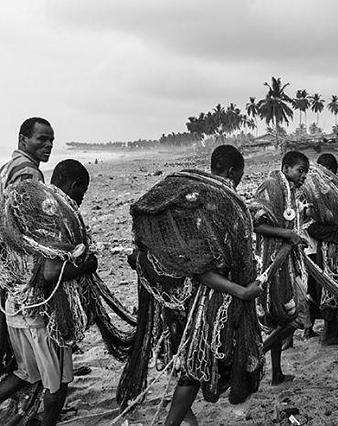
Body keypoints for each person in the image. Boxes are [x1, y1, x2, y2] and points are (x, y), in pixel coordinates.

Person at [120, 145, 264, 426]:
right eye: (241, 174)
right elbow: (203, 267)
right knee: (196, 363)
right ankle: (172, 422)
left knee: (182, 353)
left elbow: (156, 249)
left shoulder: (179, 188)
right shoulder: (224, 203)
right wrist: (241, 291)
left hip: (168, 294)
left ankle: (185, 416)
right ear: (234, 171)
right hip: (204, 298)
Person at [0, 159, 97, 426]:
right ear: (74, 185)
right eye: (82, 192)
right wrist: (87, 266)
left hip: (15, 307)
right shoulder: (55, 214)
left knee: (23, 374)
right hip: (43, 315)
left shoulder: (23, 208)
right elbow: (49, 275)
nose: (81, 199)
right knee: (57, 384)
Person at [251, 151, 309, 385]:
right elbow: (256, 223)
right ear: (286, 168)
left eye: (305, 171)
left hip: (286, 261)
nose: (303, 176)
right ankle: (257, 357)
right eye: (299, 170)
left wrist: (294, 236)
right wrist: (288, 234)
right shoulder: (272, 185)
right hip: (272, 262)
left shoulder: (290, 190)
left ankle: (276, 373)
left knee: (283, 317)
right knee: (293, 317)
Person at [302, 154, 338, 345]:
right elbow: (311, 227)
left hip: (336, 249)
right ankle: (329, 332)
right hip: (328, 250)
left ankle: (334, 332)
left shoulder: (335, 190)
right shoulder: (317, 193)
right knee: (328, 288)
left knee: (335, 287)